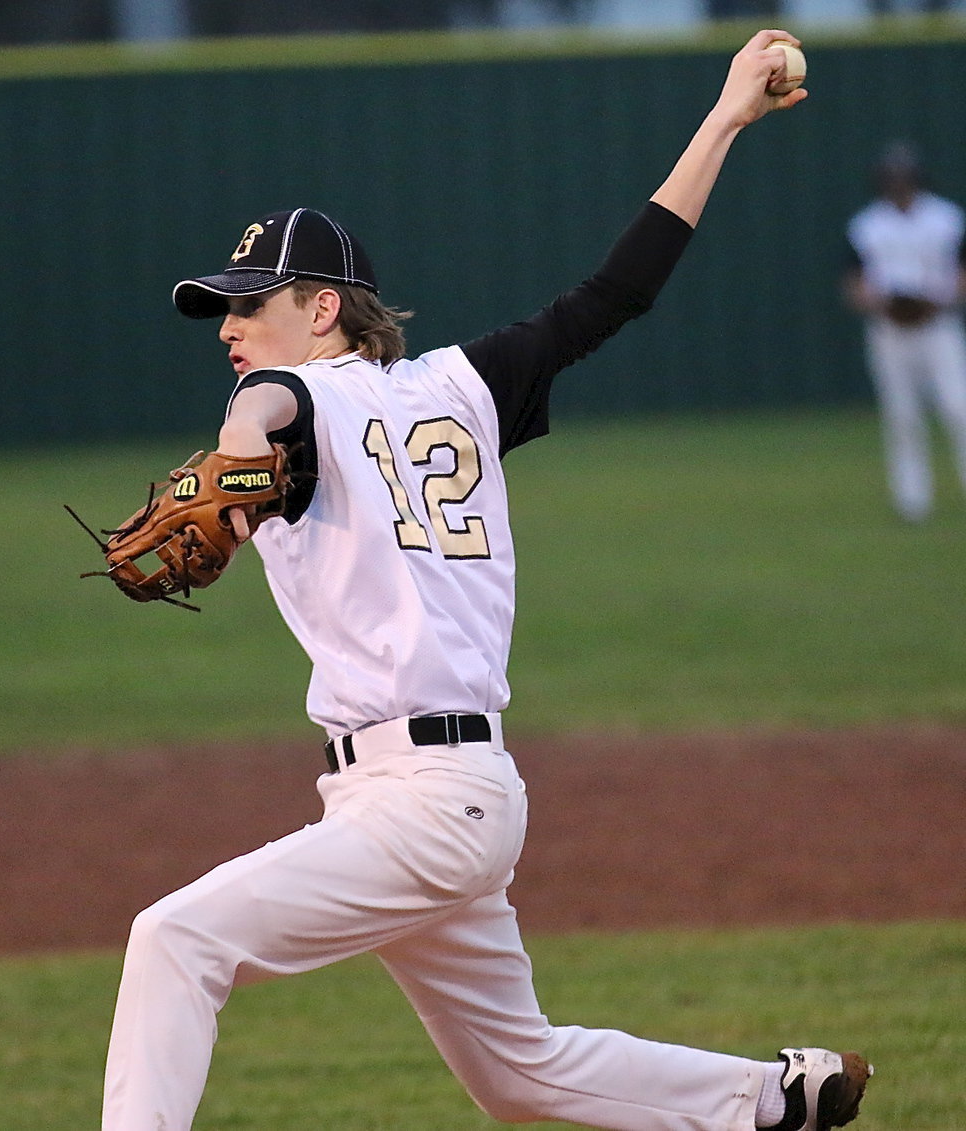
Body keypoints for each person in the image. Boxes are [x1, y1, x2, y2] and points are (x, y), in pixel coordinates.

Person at [101, 30, 872, 1131]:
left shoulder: (290, 404)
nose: (229, 325)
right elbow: (617, 293)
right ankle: (773, 1099)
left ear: (323, 309)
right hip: (458, 795)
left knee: (175, 938)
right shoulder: (464, 384)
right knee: (517, 1075)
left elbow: (277, 408)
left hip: (421, 805)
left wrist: (240, 424)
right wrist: (724, 120)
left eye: (250, 302)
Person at [844, 140, 966, 522]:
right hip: (890, 329)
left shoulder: (947, 218)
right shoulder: (867, 225)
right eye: (893, 178)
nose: (899, 184)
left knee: (958, 408)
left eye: (905, 177)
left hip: (938, 324)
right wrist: (883, 304)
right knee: (902, 415)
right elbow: (854, 282)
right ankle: (912, 502)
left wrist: (938, 300)